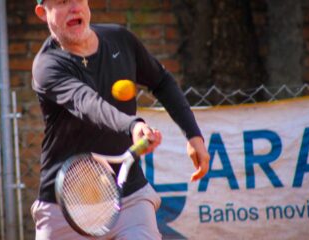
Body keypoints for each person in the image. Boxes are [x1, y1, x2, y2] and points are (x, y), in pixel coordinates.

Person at [30, 0, 210, 239]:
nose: (74, 7)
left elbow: (162, 81)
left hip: (129, 198)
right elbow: (88, 103)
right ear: (43, 13)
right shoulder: (47, 66)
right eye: (62, 1)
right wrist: (132, 125)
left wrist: (193, 135)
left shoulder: (120, 40)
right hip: (65, 208)